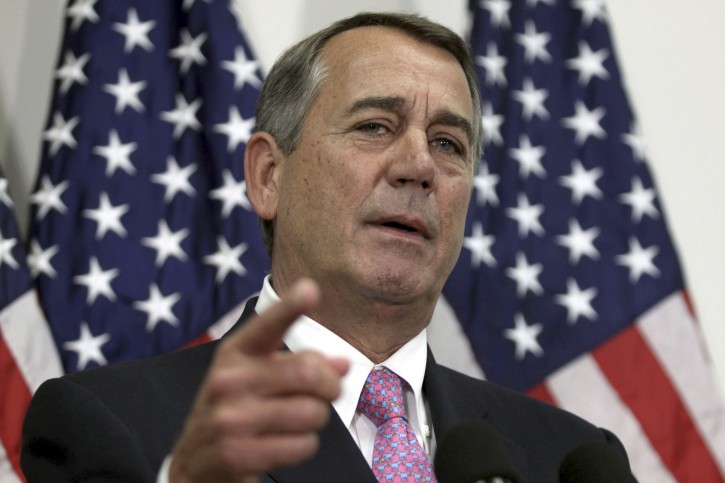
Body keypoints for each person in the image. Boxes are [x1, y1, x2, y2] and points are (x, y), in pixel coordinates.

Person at [21, 11, 633, 482]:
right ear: (269, 176)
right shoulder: (116, 425)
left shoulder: (573, 459)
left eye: (448, 143)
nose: (419, 165)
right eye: (375, 127)